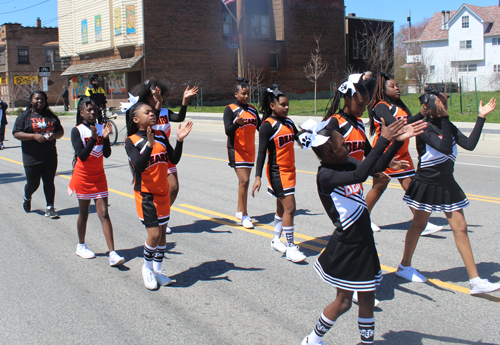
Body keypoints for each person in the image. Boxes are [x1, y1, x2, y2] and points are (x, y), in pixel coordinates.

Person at [299, 115, 425, 345]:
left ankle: (366, 343)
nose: (349, 148)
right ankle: (312, 340)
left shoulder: (344, 162)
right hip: (348, 244)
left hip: (363, 240)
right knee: (344, 302)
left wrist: (396, 142)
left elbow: (373, 167)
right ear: (330, 153)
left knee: (367, 298)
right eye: (344, 145)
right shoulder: (326, 175)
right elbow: (361, 175)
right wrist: (382, 141)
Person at [396, 87, 500, 295]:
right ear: (429, 105)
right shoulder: (422, 127)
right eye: (441, 101)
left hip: (446, 183)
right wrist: (444, 118)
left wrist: (480, 118)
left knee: (460, 227)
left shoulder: (448, 125)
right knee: (418, 225)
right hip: (426, 183)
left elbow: (469, 145)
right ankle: (405, 266)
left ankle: (475, 280)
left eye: (445, 101)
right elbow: (443, 148)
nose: (444, 104)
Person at [124, 100, 193, 290]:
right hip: (146, 194)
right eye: (147, 112)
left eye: (153, 112)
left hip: (163, 193)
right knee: (153, 234)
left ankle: (157, 270)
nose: (152, 114)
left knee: (162, 234)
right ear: (137, 119)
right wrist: (149, 145)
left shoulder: (161, 134)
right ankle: (146, 268)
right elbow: (138, 165)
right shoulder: (131, 140)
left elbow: (174, 159)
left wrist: (179, 140)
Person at [366, 72, 442, 235]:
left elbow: (407, 123)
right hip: (386, 153)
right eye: (392, 86)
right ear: (382, 89)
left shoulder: (399, 106)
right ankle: (363, 220)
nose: (397, 88)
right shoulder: (380, 106)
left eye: (397, 85)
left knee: (411, 188)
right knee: (379, 188)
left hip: (402, 152)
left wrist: (423, 113)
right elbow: (396, 125)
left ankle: (422, 223)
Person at [129, 78, 198, 234]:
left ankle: (162, 213)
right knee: (157, 188)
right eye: (155, 93)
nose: (158, 96)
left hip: (166, 152)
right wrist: (156, 106)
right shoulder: (143, 113)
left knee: (173, 187)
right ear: (147, 95)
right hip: (151, 153)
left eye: (160, 93)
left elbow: (179, 118)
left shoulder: (165, 112)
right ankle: (156, 215)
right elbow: (152, 120)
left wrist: (184, 101)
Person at [251, 84, 306, 263]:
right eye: (283, 104)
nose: (287, 107)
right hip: (277, 172)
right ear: (273, 106)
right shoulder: (267, 126)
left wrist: (309, 134)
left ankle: (276, 239)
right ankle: (290, 248)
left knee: (281, 207)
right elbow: (261, 153)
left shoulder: (289, 122)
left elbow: (300, 140)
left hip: (290, 170)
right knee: (290, 208)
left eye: (287, 104)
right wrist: (258, 176)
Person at [68, 96, 125, 266]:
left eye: (95, 110)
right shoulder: (77, 131)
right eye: (88, 110)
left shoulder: (101, 128)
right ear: (81, 112)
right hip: (84, 177)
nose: (92, 113)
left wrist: (105, 137)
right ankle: (81, 245)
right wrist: (93, 139)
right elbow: (82, 156)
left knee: (104, 213)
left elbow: (106, 154)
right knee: (84, 213)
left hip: (99, 176)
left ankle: (113, 253)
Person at [12, 91, 64, 218]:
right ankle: (27, 197)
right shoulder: (24, 116)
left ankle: (50, 207)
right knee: (33, 184)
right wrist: (34, 136)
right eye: (37, 99)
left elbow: (60, 131)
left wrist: (54, 135)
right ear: (31, 100)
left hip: (49, 155)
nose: (39, 101)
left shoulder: (51, 116)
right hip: (31, 156)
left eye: (42, 99)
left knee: (49, 181)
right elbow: (16, 133)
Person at [224, 77, 261, 229]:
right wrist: (236, 124)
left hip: (250, 150)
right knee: (245, 181)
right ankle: (245, 216)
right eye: (243, 93)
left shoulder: (252, 109)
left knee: (243, 183)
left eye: (248, 94)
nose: (246, 96)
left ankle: (240, 211)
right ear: (236, 94)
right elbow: (227, 130)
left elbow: (261, 127)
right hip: (236, 150)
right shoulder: (230, 109)